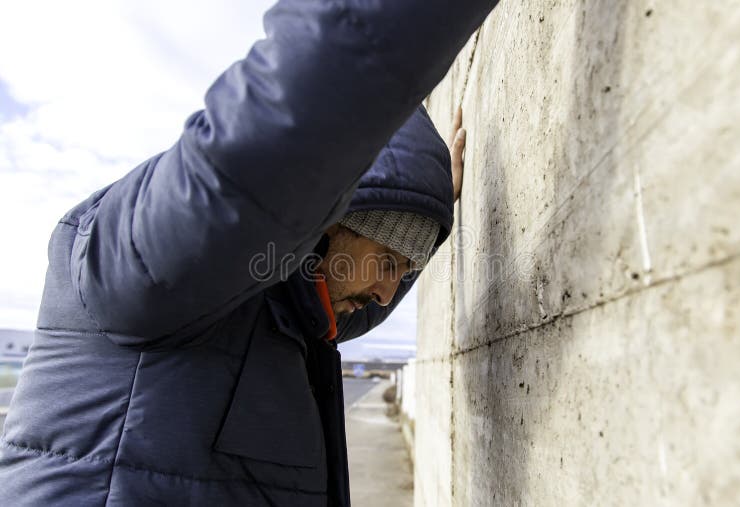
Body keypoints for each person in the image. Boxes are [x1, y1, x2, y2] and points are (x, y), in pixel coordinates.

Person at [0, 0, 494, 505]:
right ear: (324, 216)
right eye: (390, 262)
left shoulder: (286, 302)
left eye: (403, 270)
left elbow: (349, 288)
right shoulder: (141, 259)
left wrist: (424, 218)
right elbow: (284, 127)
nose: (389, 293)